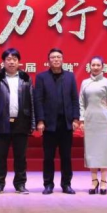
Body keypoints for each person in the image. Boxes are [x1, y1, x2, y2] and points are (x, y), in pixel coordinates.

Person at [0, 48, 35, 195]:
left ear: (19, 62)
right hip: (1, 122)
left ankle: (20, 184)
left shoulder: (26, 78)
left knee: (21, 157)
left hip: (21, 122)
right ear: (3, 62)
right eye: (8, 59)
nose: (11, 62)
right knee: (0, 157)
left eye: (14, 59)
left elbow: (32, 102)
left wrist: (32, 123)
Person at [33, 48, 79, 195]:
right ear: (48, 60)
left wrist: (75, 118)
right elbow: (38, 100)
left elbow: (74, 99)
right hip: (49, 124)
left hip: (66, 123)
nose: (56, 59)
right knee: (48, 157)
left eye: (59, 57)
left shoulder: (70, 77)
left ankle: (66, 184)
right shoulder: (41, 77)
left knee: (66, 156)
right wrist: (40, 121)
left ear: (63, 59)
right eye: (53, 57)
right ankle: (48, 184)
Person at [80, 56, 107, 196]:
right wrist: (82, 120)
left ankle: (104, 181)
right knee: (92, 151)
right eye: (93, 65)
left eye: (98, 65)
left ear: (102, 67)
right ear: (89, 66)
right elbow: (81, 103)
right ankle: (94, 181)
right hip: (90, 120)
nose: (95, 67)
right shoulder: (85, 83)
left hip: (104, 121)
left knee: (104, 151)